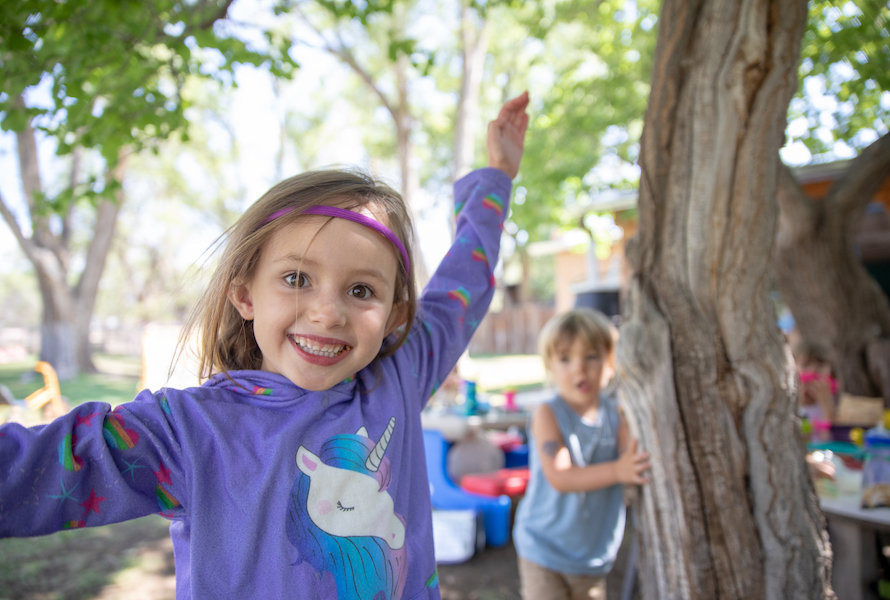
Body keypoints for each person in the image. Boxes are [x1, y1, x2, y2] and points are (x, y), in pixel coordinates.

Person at [0, 92, 530, 600]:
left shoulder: (400, 374)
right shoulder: (187, 432)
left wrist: (498, 179)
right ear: (244, 292)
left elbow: (464, 282)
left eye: (361, 290)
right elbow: (46, 467)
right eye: (297, 279)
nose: (328, 312)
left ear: (395, 315)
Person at [513, 307, 650, 600]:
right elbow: (561, 476)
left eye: (591, 356)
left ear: (611, 363)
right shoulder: (547, 414)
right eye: (565, 359)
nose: (579, 368)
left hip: (592, 556)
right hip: (544, 550)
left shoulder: (618, 415)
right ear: (550, 366)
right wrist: (617, 471)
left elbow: (634, 456)